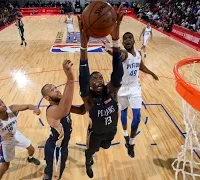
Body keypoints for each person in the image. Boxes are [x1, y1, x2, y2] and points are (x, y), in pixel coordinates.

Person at [77, 8, 124, 178]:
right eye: (94, 79)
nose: (98, 80)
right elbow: (83, 77)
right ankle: (88, 162)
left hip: (112, 131)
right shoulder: (88, 98)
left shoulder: (111, 92)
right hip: (95, 134)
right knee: (91, 151)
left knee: (106, 147)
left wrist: (116, 40)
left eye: (100, 78)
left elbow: (118, 74)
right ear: (89, 85)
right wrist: (83, 46)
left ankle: (99, 149)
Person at [103, 32, 158, 158]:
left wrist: (152, 73)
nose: (128, 40)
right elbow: (118, 55)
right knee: (123, 112)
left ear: (134, 40)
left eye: (130, 38)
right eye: (125, 38)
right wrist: (109, 50)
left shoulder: (138, 53)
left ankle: (131, 143)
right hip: (122, 88)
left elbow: (141, 67)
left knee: (137, 117)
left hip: (135, 88)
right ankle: (125, 134)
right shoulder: (123, 53)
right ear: (122, 43)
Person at [41, 60, 86, 180]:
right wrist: (70, 79)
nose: (56, 90)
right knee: (55, 177)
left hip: (61, 147)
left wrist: (92, 98)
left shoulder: (61, 105)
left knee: (49, 170)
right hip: (56, 150)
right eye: (52, 90)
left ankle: (46, 175)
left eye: (55, 87)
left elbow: (81, 111)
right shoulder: (52, 110)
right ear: (46, 97)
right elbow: (65, 109)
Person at [0, 98, 41, 180]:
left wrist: (35, 108)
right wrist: (1, 139)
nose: (3, 105)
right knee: (5, 166)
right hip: (5, 142)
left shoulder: (11, 109)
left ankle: (30, 158)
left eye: (2, 102)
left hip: (16, 134)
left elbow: (28, 106)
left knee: (31, 149)